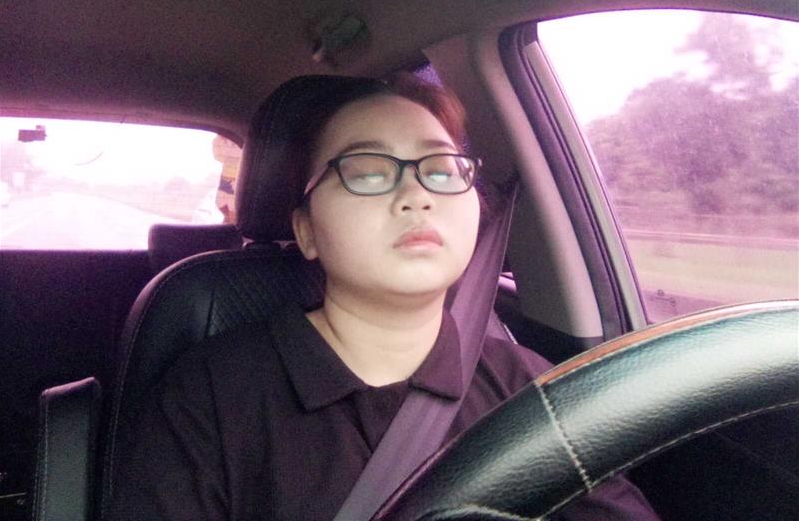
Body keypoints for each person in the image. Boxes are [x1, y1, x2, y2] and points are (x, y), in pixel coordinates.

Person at [110, 74, 659, 520]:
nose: (416, 195)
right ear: (306, 230)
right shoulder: (209, 396)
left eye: (441, 170)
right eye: (368, 173)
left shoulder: (529, 387)